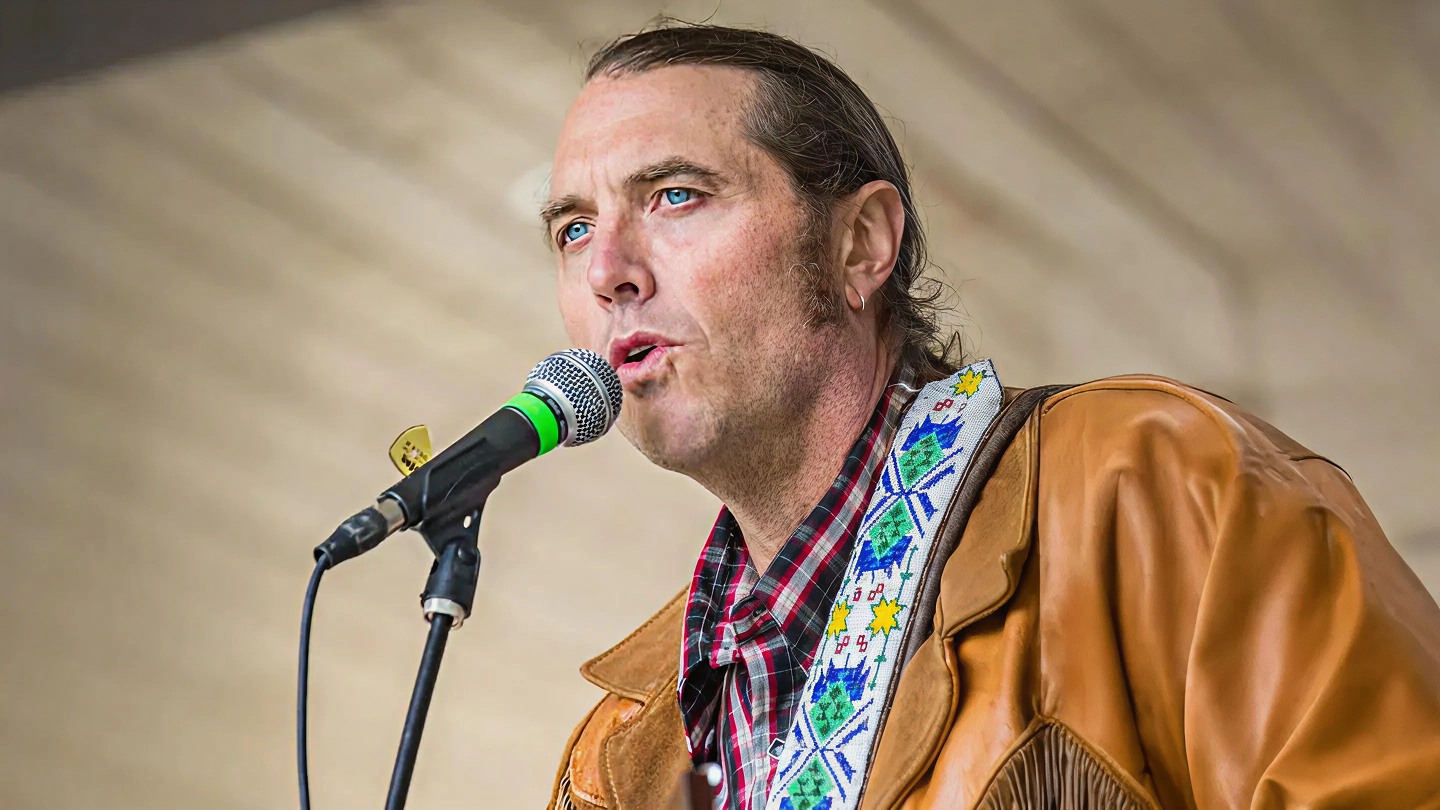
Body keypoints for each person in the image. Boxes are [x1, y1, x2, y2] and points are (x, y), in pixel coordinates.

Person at [539, 23, 1440, 810]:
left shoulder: (1158, 487)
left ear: (861, 244)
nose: (608, 271)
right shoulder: (613, 754)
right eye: (573, 229)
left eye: (676, 195)